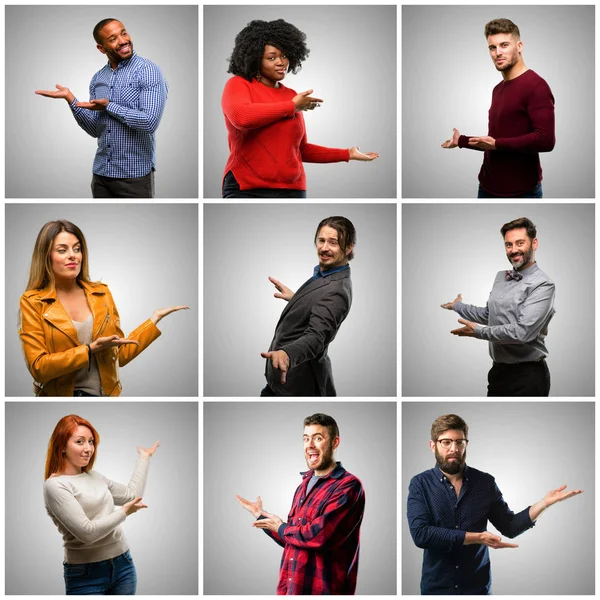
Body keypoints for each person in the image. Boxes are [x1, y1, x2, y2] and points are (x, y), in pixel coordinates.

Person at [407, 414, 582, 595]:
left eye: (460, 442)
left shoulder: (485, 482)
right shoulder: (420, 483)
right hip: (436, 591)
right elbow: (421, 534)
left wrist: (544, 503)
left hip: (478, 590)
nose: (454, 448)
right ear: (433, 445)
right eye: (446, 442)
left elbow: (510, 526)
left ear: (466, 444)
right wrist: (477, 537)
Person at [19, 220, 188, 396]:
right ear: (46, 255)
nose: (72, 255)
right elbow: (39, 368)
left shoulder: (101, 293)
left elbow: (119, 355)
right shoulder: (32, 302)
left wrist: (153, 320)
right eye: (62, 250)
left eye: (77, 249)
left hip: (105, 396)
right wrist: (90, 350)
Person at [221, 19, 379, 198]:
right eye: (271, 57)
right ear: (255, 59)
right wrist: (293, 106)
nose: (281, 62)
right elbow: (242, 118)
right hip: (246, 188)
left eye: (284, 55)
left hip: (293, 190)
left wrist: (347, 154)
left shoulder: (291, 95)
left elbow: (300, 149)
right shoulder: (238, 85)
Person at [35, 18, 168, 198]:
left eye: (123, 33)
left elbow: (149, 122)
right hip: (101, 174)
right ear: (101, 48)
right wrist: (71, 99)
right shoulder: (98, 79)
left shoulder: (148, 70)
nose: (123, 40)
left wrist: (108, 106)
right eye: (113, 39)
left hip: (134, 176)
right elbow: (96, 130)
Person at [236, 413, 365, 595]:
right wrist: (261, 516)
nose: (310, 445)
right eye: (306, 439)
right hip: (291, 589)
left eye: (318, 438)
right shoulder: (304, 485)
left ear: (335, 443)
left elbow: (319, 536)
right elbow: (295, 539)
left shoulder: (348, 486)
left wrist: (281, 527)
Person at [43, 414, 158, 595]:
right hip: (85, 575)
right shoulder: (55, 485)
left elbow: (132, 496)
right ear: (62, 446)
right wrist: (124, 513)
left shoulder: (95, 477)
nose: (89, 448)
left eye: (91, 441)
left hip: (123, 566)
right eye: (80, 442)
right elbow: (86, 533)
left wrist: (144, 458)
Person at [441, 18, 555, 198]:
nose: (497, 53)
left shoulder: (536, 86)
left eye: (504, 45)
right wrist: (461, 141)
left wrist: (496, 144)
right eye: (492, 48)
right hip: (487, 186)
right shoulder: (498, 89)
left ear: (519, 46)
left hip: (522, 191)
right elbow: (497, 141)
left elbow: (546, 140)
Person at [441, 217, 555, 396]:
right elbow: (489, 314)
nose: (513, 250)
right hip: (497, 373)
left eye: (520, 243)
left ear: (534, 243)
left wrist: (479, 332)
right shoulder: (501, 277)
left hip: (529, 376)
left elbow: (522, 332)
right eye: (508, 245)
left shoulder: (543, 285)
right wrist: (458, 306)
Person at [260, 216, 354, 396]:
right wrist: (297, 299)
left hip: (297, 386)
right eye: (321, 240)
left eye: (333, 243)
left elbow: (316, 338)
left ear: (348, 247)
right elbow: (320, 306)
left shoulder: (336, 291)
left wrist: (287, 354)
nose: (324, 248)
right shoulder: (326, 274)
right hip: (282, 383)